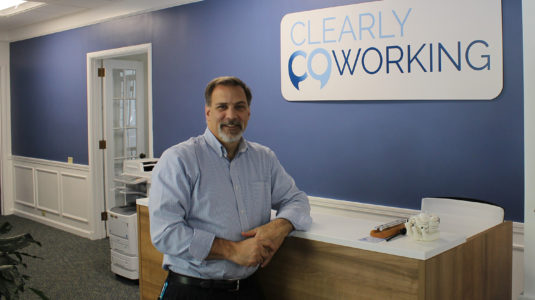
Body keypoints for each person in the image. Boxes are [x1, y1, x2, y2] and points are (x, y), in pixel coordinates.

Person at [149, 76, 312, 300]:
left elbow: (297, 200)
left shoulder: (264, 158)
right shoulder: (179, 159)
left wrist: (280, 227)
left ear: (248, 113)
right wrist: (232, 251)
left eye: (239, 107)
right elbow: (165, 233)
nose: (231, 115)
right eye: (222, 107)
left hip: (247, 288)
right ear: (208, 112)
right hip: (192, 290)